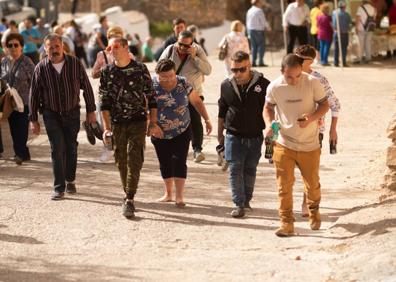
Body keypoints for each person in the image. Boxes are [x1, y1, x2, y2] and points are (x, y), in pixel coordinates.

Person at [263, 54, 329, 236]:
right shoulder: (275, 87)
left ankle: (314, 210)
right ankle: (286, 223)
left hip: (310, 144)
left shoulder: (312, 82)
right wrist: (269, 125)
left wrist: (312, 118)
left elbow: (325, 105)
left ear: (301, 71)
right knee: (284, 186)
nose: (294, 80)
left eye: (297, 76)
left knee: (312, 185)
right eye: (289, 76)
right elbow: (268, 107)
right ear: (281, 72)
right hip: (284, 143)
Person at [99, 37, 162, 219]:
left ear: (126, 48)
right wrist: (106, 128)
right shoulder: (106, 72)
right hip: (117, 122)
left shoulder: (140, 69)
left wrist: (153, 121)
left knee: (135, 158)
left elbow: (151, 97)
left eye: (116, 47)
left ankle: (129, 198)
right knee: (121, 160)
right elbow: (104, 103)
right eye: (110, 47)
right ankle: (127, 191)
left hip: (138, 120)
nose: (112, 50)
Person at [29, 33, 97, 200]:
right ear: (45, 49)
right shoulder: (41, 68)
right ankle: (59, 187)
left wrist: (91, 111)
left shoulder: (75, 63)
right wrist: (33, 120)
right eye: (50, 47)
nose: (54, 50)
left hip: (72, 113)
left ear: (62, 46)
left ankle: (70, 180)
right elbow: (34, 95)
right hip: (51, 114)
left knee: (71, 147)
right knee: (57, 149)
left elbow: (87, 88)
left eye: (56, 46)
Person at [152, 59, 212, 206]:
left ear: (175, 73)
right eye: (163, 77)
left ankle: (179, 196)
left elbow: (196, 101)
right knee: (164, 162)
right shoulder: (151, 85)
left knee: (179, 161)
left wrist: (207, 119)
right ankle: (168, 193)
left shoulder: (183, 83)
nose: (167, 79)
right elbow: (144, 107)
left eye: (171, 76)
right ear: (157, 75)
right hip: (159, 131)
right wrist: (151, 125)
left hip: (182, 129)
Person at [218, 51, 270, 218]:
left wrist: (272, 136)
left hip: (255, 136)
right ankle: (238, 204)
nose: (238, 73)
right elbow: (222, 111)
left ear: (249, 66)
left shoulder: (264, 85)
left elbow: (270, 111)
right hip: (233, 135)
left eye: (242, 69)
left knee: (250, 169)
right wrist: (220, 137)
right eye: (234, 70)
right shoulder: (226, 85)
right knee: (235, 169)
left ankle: (247, 200)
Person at [295, 44, 341, 216]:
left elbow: (335, 104)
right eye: (295, 57)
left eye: (301, 59)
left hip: (314, 131)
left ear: (311, 61)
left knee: (309, 170)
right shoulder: (289, 76)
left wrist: (333, 130)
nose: (296, 61)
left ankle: (306, 202)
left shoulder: (319, 79)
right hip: (290, 131)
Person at [159, 30, 212, 163]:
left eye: (186, 46)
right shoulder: (170, 49)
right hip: (174, 93)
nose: (182, 48)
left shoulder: (198, 51)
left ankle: (197, 149)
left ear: (192, 44)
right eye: (180, 44)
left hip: (194, 92)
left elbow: (208, 70)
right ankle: (174, 149)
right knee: (174, 121)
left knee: (195, 120)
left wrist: (195, 58)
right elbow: (159, 67)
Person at [92, 26, 133, 163]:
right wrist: (105, 70)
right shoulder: (101, 55)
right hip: (105, 95)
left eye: (119, 36)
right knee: (105, 124)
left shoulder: (129, 55)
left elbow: (134, 73)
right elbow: (93, 73)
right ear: (108, 39)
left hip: (122, 96)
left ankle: (120, 151)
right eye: (112, 37)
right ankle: (108, 149)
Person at [1, 33, 35, 165]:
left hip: (24, 101)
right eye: (10, 45)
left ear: (21, 47)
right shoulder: (4, 62)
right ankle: (24, 153)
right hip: (9, 102)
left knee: (21, 128)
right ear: (7, 47)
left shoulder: (27, 62)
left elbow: (35, 82)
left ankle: (19, 154)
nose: (13, 47)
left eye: (16, 45)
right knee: (13, 129)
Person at [246, 0, 271, 67]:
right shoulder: (259, 10)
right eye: (260, 2)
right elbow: (263, 21)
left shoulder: (249, 10)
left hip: (251, 30)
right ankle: (260, 62)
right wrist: (268, 27)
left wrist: (248, 32)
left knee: (253, 46)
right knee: (261, 46)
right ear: (257, 3)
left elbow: (247, 22)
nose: (261, 3)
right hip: (259, 30)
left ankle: (253, 62)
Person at [332, 1, 351, 67]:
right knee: (344, 48)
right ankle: (343, 62)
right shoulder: (347, 14)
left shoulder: (334, 13)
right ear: (345, 7)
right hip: (344, 33)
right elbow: (349, 24)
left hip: (336, 32)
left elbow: (334, 23)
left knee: (336, 48)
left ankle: (335, 62)